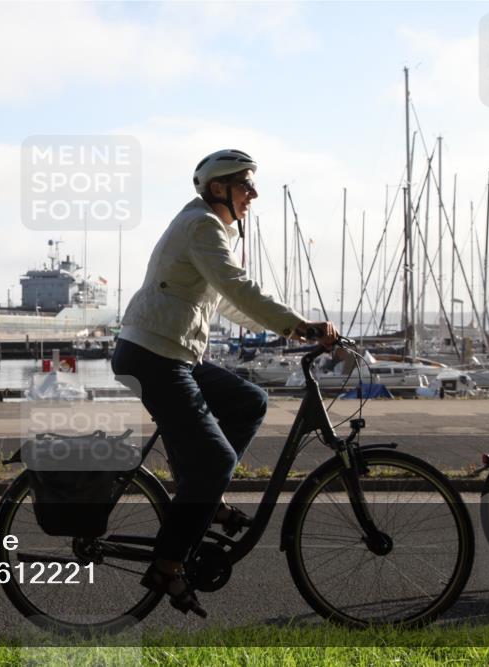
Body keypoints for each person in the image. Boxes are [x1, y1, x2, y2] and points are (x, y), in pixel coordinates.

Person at [111, 148, 337, 617]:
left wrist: (290, 325)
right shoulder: (202, 225)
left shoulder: (209, 228)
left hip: (170, 352)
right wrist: (298, 325)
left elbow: (224, 300)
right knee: (213, 460)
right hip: (155, 356)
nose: (253, 194)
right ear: (220, 188)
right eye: (246, 185)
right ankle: (167, 564)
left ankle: (203, 499)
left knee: (249, 401)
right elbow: (237, 287)